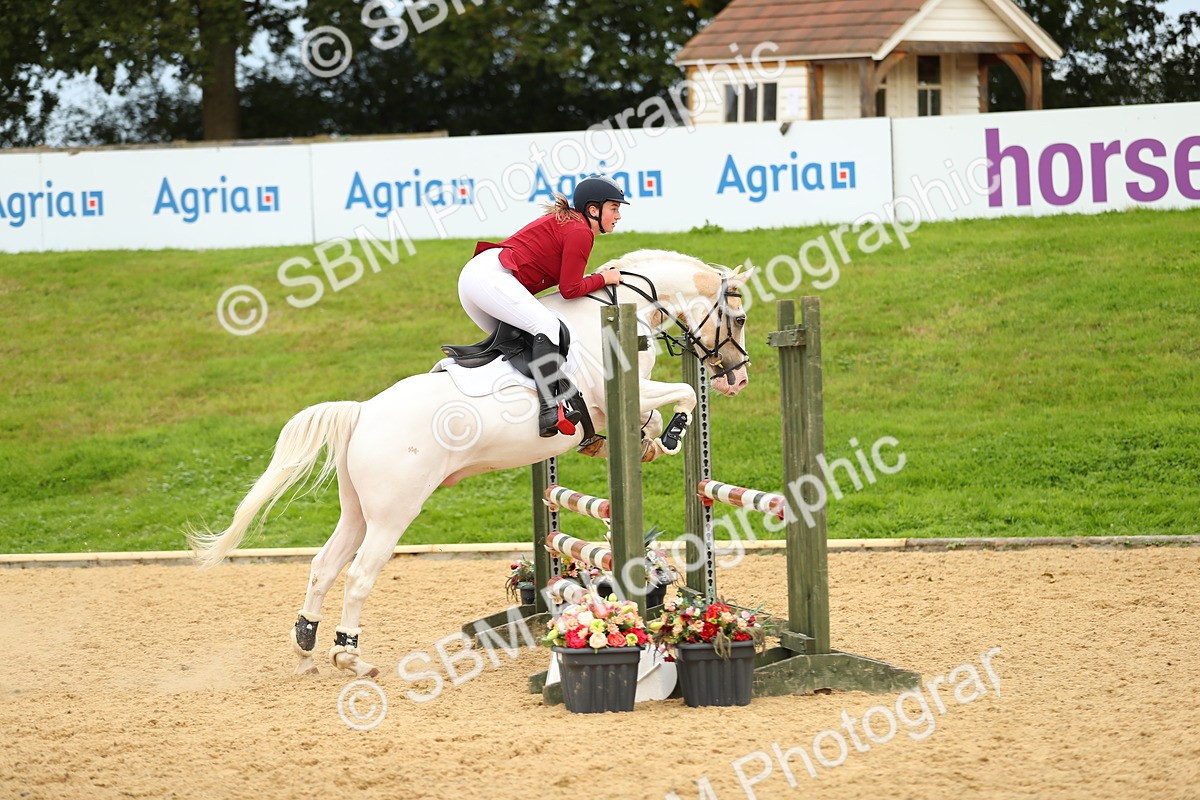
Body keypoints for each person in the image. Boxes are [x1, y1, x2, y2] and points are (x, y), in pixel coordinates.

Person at [458, 175, 629, 437]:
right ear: (593, 210)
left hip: (476, 278)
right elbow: (569, 289)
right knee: (546, 326)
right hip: (489, 278)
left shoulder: (573, 223)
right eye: (614, 209)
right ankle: (550, 410)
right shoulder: (580, 231)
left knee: (524, 342)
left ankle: (514, 408)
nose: (618, 216)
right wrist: (604, 278)